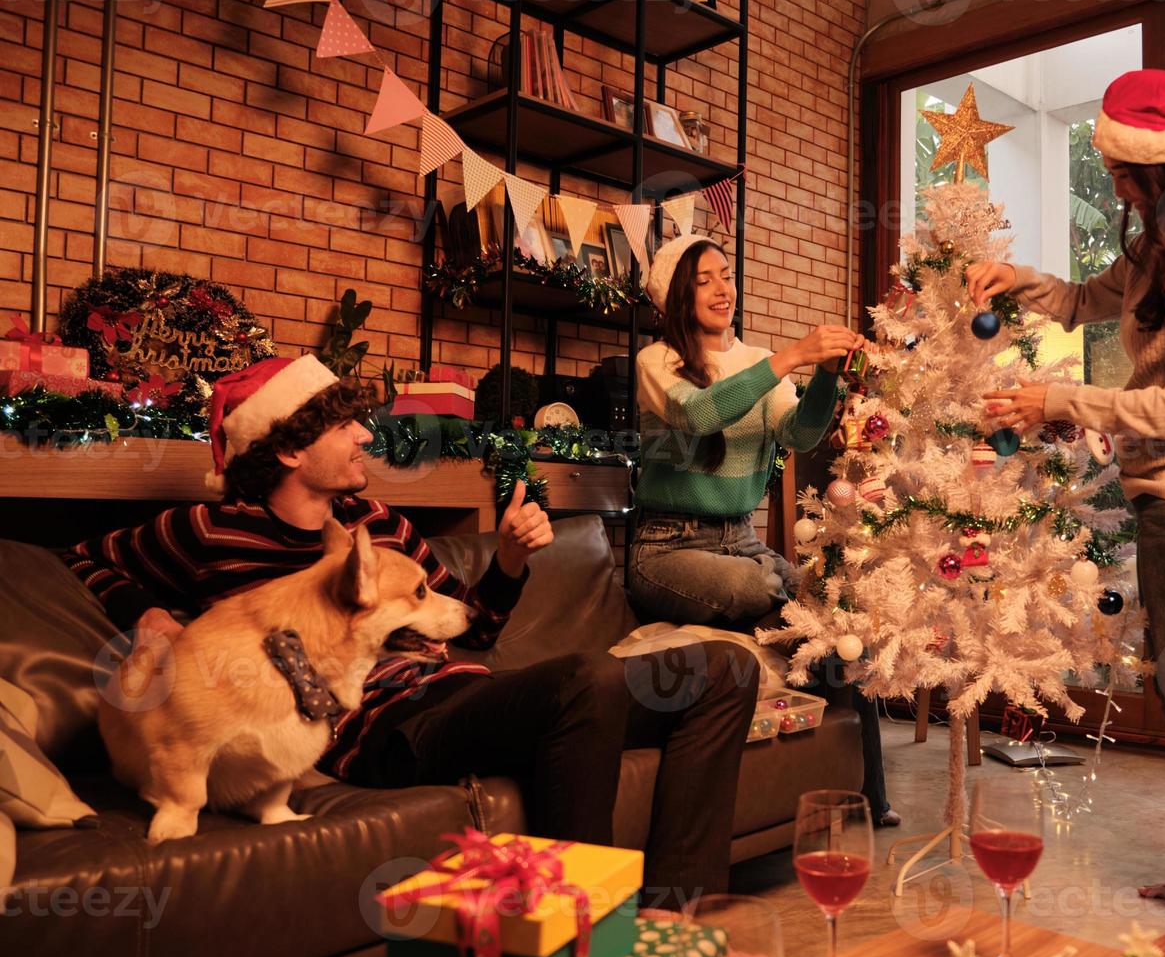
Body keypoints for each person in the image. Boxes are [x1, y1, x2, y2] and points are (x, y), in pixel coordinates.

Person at [64, 354, 758, 906]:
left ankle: (678, 913)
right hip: (380, 730)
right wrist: (143, 614)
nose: (366, 435)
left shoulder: (380, 525)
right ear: (289, 450)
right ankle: (586, 930)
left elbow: (471, 627)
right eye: (343, 426)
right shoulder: (209, 531)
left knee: (727, 669)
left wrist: (510, 561)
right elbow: (79, 557)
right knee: (589, 678)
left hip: (459, 693)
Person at [967, 69, 1165, 903]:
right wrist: (1015, 280)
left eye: (1122, 174)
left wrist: (1062, 399)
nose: (1113, 186)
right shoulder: (1161, 247)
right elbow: (1079, 301)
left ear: (1161, 171)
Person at [631, 234, 900, 827]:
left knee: (837, 619)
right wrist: (789, 358)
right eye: (704, 281)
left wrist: (825, 376)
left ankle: (868, 797)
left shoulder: (755, 362)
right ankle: (783, 596)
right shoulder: (656, 363)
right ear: (677, 296)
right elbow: (698, 414)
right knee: (761, 591)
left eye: (725, 275)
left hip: (742, 542)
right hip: (667, 547)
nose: (722, 289)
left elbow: (799, 436)